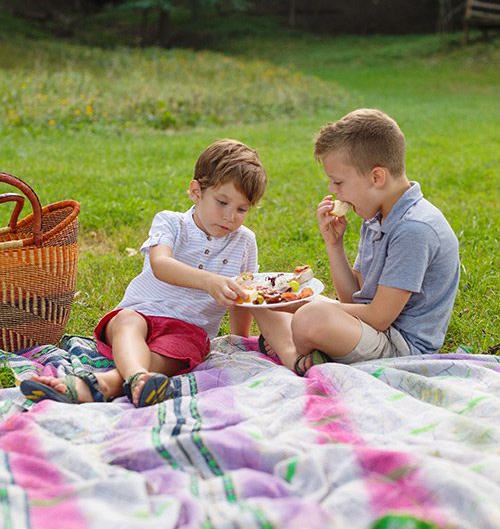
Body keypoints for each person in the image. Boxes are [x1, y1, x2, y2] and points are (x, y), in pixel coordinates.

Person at [21, 139, 267, 407]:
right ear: (196, 191)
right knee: (127, 321)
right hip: (141, 314)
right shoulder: (171, 222)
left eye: (242, 209)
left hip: (188, 330)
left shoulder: (244, 241)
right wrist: (208, 281)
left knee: (178, 350)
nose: (231, 217)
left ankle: (106, 384)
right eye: (222, 202)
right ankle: (138, 376)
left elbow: (242, 296)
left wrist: (238, 341)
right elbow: (161, 265)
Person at [254, 108, 460, 375]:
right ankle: (303, 353)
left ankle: (293, 353)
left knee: (310, 316)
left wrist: (306, 307)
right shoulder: (376, 215)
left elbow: (379, 316)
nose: (332, 190)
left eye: (338, 181)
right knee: (266, 301)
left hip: (400, 347)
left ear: (376, 177)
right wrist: (334, 245)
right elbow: (354, 297)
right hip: (367, 329)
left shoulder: (414, 229)